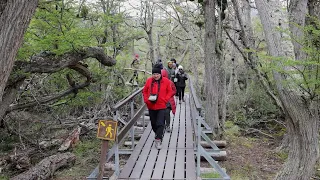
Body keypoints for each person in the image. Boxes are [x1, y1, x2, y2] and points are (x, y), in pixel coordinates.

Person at [142, 64, 175, 149]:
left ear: (160, 74)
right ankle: (158, 134)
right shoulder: (149, 81)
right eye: (154, 74)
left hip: (162, 106)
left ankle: (158, 139)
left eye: (157, 74)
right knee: (153, 124)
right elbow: (145, 91)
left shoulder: (166, 81)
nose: (155, 76)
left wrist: (165, 99)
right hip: (151, 105)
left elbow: (170, 91)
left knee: (160, 123)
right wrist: (146, 100)